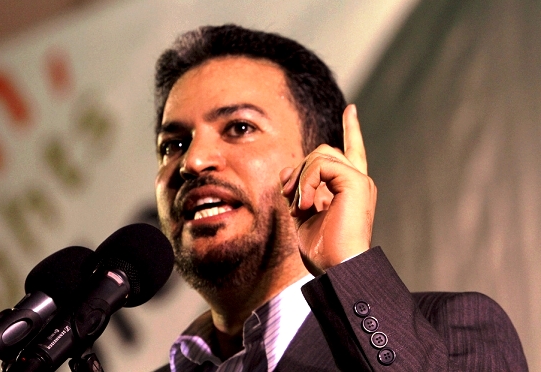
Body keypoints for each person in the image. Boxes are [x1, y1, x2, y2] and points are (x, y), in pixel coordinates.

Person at [151, 24, 527, 371]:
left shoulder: (452, 329)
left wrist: (348, 267)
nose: (193, 161)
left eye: (239, 127)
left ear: (321, 164)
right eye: (174, 144)